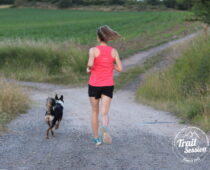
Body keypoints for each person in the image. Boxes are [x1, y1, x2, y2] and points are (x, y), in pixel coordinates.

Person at [87, 25, 123, 145]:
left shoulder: (93, 50)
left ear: (98, 38)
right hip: (108, 85)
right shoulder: (113, 51)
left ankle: (96, 138)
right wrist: (111, 65)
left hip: (94, 84)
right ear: (107, 38)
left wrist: (89, 68)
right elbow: (120, 69)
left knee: (94, 111)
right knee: (105, 112)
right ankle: (105, 129)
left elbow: (90, 65)